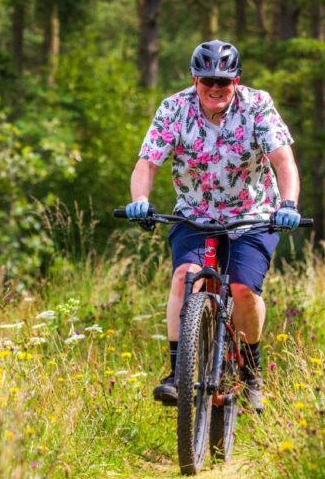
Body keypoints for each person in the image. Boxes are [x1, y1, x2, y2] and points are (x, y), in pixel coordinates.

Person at [126, 40, 302, 413]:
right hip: (195, 215)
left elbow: (284, 162)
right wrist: (140, 200)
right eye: (207, 79)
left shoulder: (257, 105)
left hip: (253, 216)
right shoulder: (174, 108)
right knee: (184, 276)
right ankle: (178, 373)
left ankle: (251, 372)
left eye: (224, 79)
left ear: (236, 80)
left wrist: (288, 204)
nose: (215, 87)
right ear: (194, 78)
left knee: (241, 288)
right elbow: (147, 163)